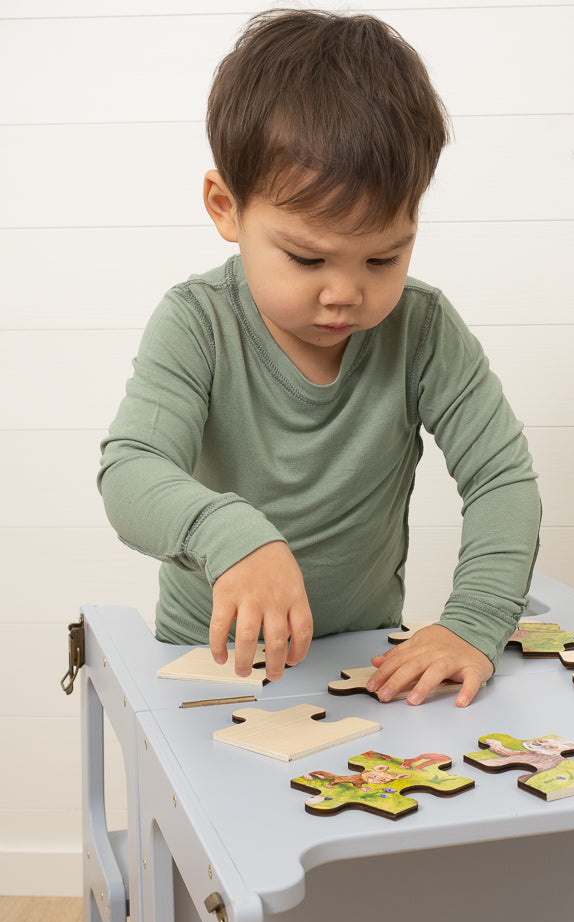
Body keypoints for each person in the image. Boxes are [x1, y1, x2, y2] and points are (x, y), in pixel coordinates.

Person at [98, 8, 541, 707]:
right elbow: (129, 475)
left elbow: (502, 480)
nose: (346, 293)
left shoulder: (422, 329)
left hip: (363, 663)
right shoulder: (196, 322)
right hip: (210, 664)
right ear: (226, 208)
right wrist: (233, 536)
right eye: (307, 257)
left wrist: (472, 624)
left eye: (383, 256)